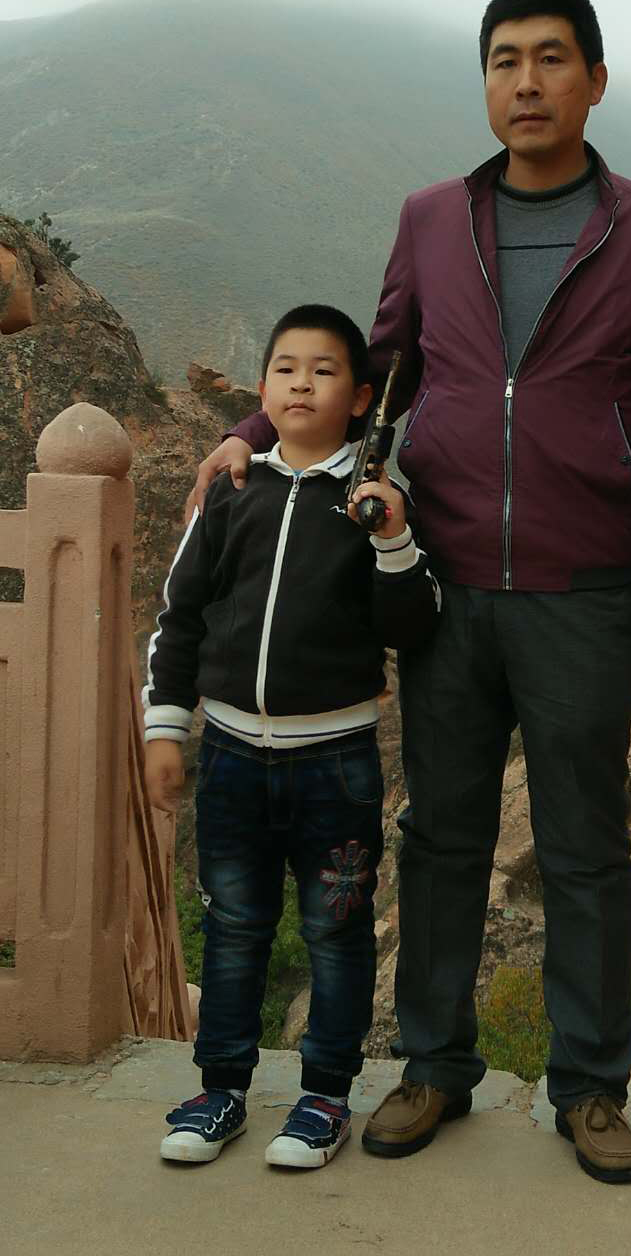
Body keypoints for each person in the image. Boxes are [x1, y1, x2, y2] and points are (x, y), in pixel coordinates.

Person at [187, 0, 631, 1185]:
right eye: (503, 60)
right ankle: (433, 1065)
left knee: (585, 846)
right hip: (444, 584)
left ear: (595, 79)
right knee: (440, 838)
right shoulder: (432, 218)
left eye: (551, 59)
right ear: (484, 81)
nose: (526, 82)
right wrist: (251, 431)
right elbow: (375, 369)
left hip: (586, 590)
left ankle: (591, 1087)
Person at [145, 303, 440, 1169]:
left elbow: (414, 624)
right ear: (262, 386)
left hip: (336, 765)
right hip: (230, 755)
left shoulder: (374, 504)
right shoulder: (231, 490)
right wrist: (166, 727)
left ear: (361, 399)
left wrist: (392, 538)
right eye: (285, 368)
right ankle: (220, 1091)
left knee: (334, 933)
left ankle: (324, 1099)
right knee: (233, 925)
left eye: (323, 370)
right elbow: (180, 615)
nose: (301, 384)